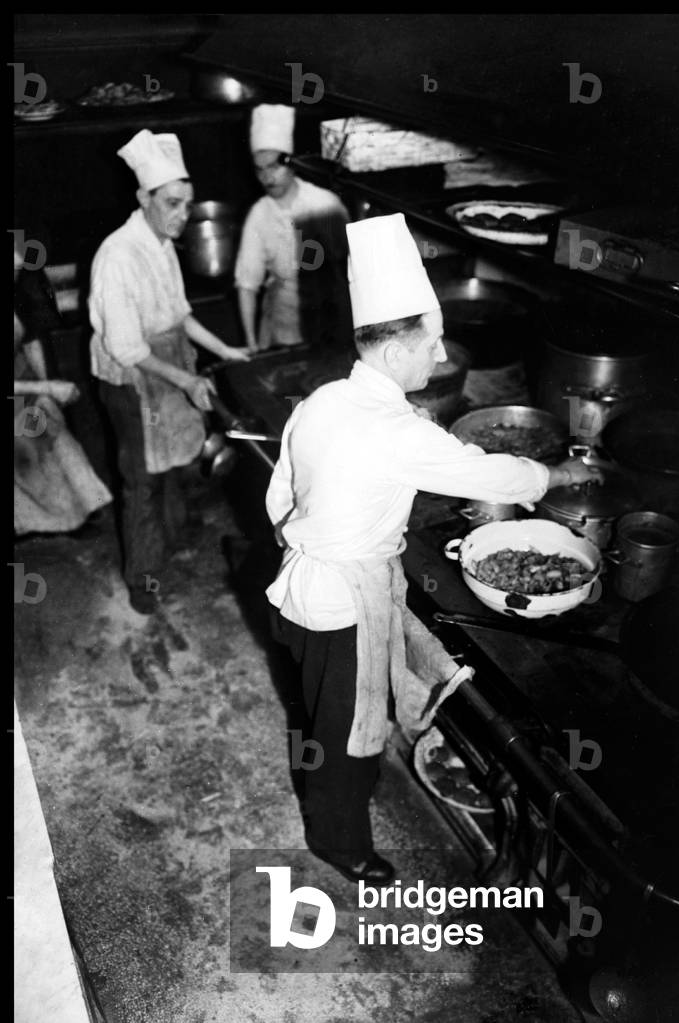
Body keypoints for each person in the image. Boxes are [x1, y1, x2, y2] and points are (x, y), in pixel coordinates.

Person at [265, 214, 603, 885]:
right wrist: (559, 475)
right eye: (433, 346)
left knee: (320, 712)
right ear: (394, 354)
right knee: (344, 733)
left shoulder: (325, 400)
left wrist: (316, 535)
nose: (442, 359)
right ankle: (340, 843)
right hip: (343, 608)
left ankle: (348, 791)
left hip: (298, 591)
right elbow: (488, 472)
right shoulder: (399, 431)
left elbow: (280, 496)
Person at [89, 129, 250, 615]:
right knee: (142, 477)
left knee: (175, 459)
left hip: (170, 359)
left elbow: (180, 314)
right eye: (174, 204)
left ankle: (172, 535)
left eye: (188, 204)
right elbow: (126, 348)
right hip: (132, 377)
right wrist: (187, 381)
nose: (184, 216)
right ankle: (143, 578)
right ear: (144, 198)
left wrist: (226, 349)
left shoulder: (162, 243)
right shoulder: (118, 255)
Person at [234, 104, 352, 353]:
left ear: (292, 163)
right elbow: (247, 283)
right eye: (260, 169)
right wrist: (252, 344)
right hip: (284, 325)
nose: (268, 178)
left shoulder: (325, 204)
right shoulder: (259, 215)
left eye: (274, 166)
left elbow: (354, 266)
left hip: (332, 316)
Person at [14, 237, 112, 537]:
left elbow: (30, 343)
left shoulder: (17, 297)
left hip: (29, 387)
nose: (17, 273)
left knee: (63, 446)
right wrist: (48, 387)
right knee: (30, 464)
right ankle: (44, 527)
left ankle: (84, 513)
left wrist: (49, 389)